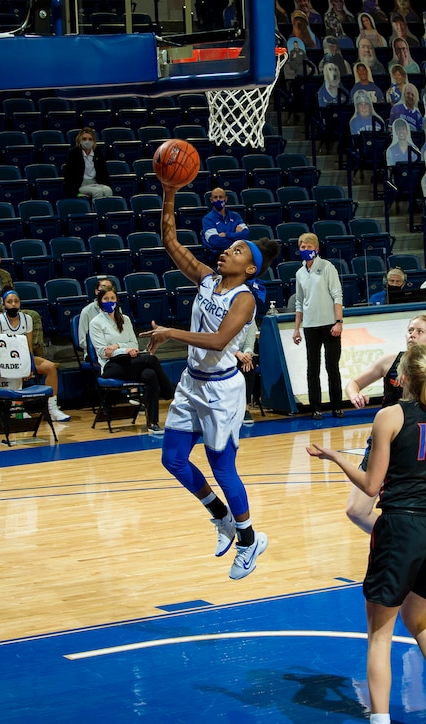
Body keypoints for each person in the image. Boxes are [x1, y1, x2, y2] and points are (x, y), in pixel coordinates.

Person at [310, 343, 426, 724]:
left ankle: (380, 719)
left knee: (380, 635)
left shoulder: (390, 416)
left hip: (402, 527)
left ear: (401, 379)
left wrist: (337, 458)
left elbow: (371, 486)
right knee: (418, 619)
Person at [140, 178, 281, 580]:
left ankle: (250, 540)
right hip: (192, 382)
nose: (226, 252)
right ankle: (220, 516)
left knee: (223, 469)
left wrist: (170, 332)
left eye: (236, 250)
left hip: (221, 389)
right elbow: (171, 243)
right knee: (173, 460)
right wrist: (169, 191)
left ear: (249, 267)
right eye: (229, 247)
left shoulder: (245, 298)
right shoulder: (206, 279)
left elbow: (220, 340)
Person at [89, 288, 173, 433]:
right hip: (111, 366)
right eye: (106, 299)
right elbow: (103, 352)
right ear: (100, 302)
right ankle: (170, 393)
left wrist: (119, 346)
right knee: (151, 359)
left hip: (131, 362)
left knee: (150, 375)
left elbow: (134, 344)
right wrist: (124, 349)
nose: (110, 302)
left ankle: (153, 423)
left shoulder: (125, 319)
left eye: (112, 298)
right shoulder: (96, 323)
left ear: (117, 300)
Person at [0, 290, 70, 422]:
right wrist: (22, 368)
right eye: (9, 302)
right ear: (3, 305)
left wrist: (29, 366)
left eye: (16, 301)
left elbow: (28, 347)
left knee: (51, 367)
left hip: (24, 357)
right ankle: (17, 409)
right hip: (4, 361)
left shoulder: (27, 319)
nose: (13, 304)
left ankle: (52, 409)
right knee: (17, 371)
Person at [292, 233, 344, 419]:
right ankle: (316, 407)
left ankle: (337, 405)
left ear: (317, 248)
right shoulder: (299, 273)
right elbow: (299, 302)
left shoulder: (327, 267)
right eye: (302, 247)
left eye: (309, 247)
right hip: (310, 326)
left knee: (332, 367)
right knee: (312, 368)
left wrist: (339, 322)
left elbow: (337, 295)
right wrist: (297, 328)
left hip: (330, 325)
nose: (306, 250)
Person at [63, 126, 112, 199]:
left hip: (95, 183)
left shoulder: (97, 152)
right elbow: (69, 175)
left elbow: (104, 171)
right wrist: (76, 193)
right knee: (97, 192)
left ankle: (107, 210)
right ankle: (95, 210)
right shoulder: (74, 153)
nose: (87, 141)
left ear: (93, 141)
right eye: (84, 139)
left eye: (90, 139)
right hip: (82, 185)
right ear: (80, 140)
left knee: (108, 190)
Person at [76, 276, 117, 361]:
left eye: (109, 289)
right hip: (94, 352)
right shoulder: (86, 311)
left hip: (116, 349)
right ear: (96, 291)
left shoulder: (117, 310)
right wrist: (103, 347)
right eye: (102, 290)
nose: (106, 292)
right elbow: (82, 341)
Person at [202, 186, 249, 252]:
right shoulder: (208, 219)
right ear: (211, 200)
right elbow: (215, 241)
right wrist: (236, 237)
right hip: (219, 255)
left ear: (226, 199)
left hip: (237, 254)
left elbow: (245, 234)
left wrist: (226, 235)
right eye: (215, 197)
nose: (218, 200)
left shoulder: (235, 216)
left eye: (221, 197)